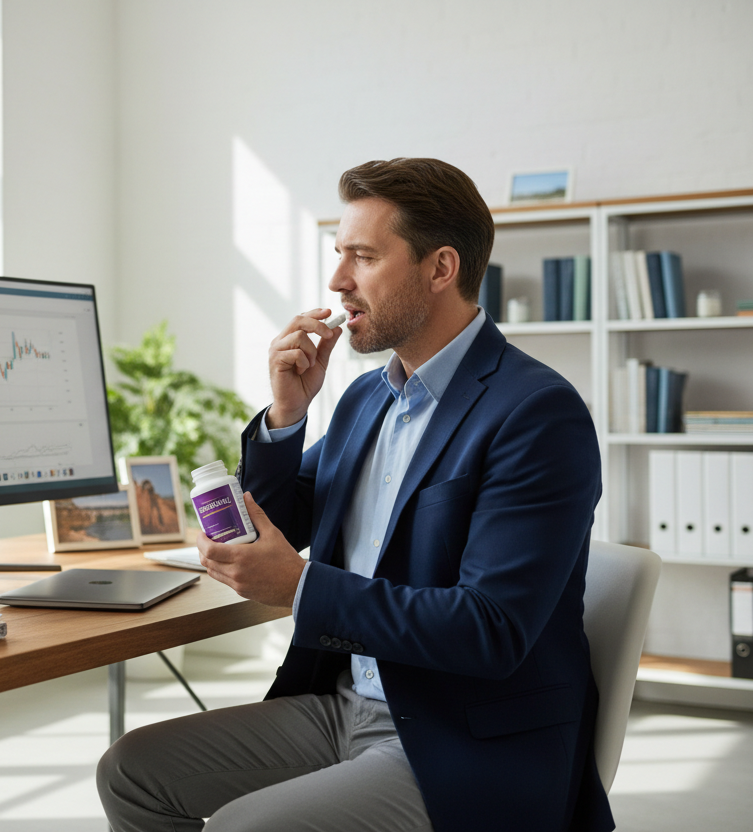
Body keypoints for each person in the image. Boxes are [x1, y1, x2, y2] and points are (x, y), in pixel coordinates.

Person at [97, 158, 614, 832]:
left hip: (459, 739)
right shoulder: (369, 398)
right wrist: (286, 417)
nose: (338, 281)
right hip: (346, 704)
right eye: (340, 256)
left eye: (363, 258)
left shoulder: (537, 413)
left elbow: (491, 630)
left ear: (440, 269)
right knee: (132, 772)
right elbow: (274, 530)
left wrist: (304, 586)